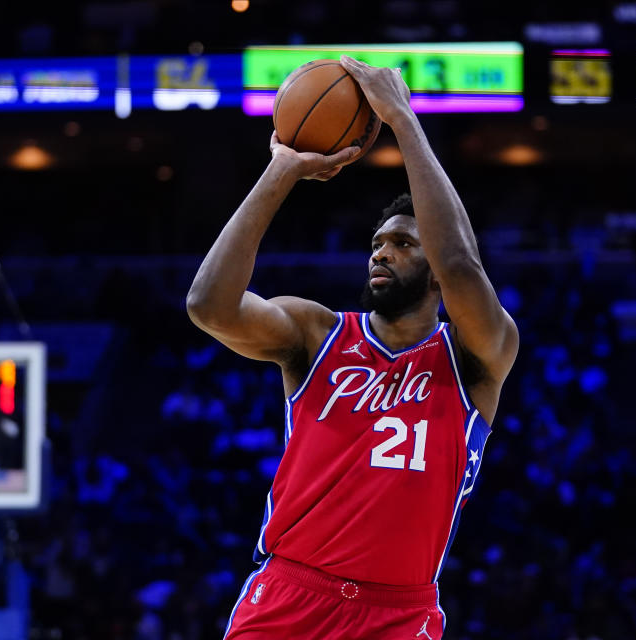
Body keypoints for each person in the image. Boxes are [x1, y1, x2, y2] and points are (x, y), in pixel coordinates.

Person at [186, 55, 518, 639]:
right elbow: (208, 306)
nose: (381, 252)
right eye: (376, 243)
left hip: (400, 614)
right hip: (290, 596)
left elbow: (462, 262)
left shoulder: (476, 358)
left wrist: (403, 120)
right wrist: (281, 170)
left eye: (403, 244)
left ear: (436, 269)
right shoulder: (316, 334)